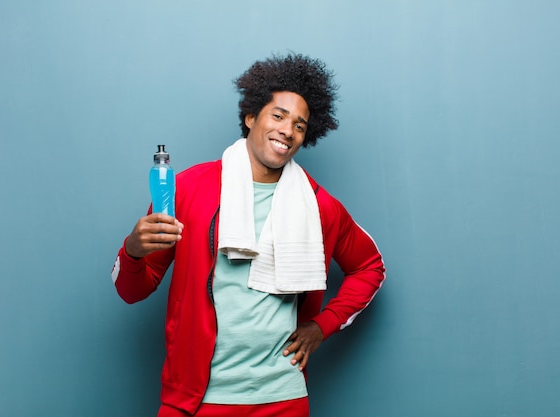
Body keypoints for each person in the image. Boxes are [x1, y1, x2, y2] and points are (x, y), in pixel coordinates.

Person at [111, 53, 386, 417]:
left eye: (300, 125)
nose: (288, 130)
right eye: (278, 115)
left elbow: (371, 267)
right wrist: (132, 251)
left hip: (282, 396)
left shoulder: (318, 205)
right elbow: (133, 290)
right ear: (251, 117)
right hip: (197, 397)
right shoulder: (189, 188)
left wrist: (321, 326)